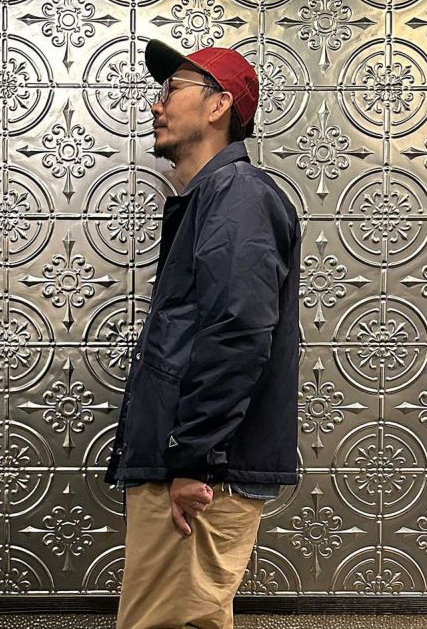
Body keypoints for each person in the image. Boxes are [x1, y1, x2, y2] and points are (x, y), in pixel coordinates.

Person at [105, 39, 301, 629]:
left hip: (198, 474)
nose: (157, 104)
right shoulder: (215, 199)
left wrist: (194, 460)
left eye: (172, 90)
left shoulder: (238, 197)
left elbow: (238, 335)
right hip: (193, 465)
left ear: (218, 106)